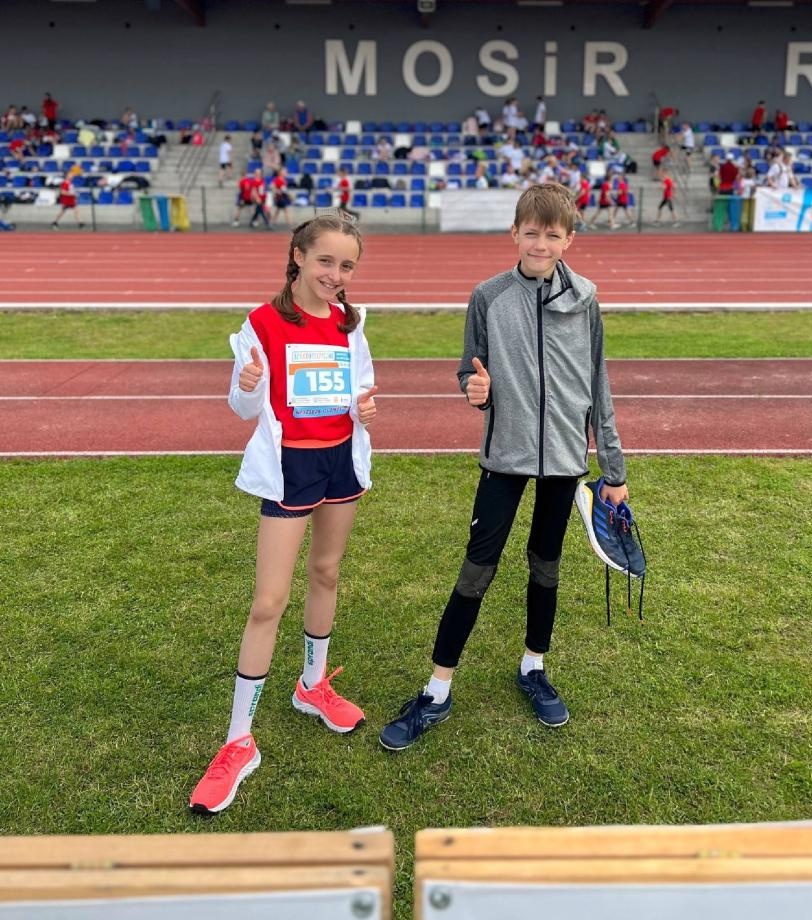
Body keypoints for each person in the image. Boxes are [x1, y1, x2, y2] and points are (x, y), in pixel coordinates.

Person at [378, 184, 628, 751]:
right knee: (477, 569)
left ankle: (533, 667)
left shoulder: (586, 299)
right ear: (515, 233)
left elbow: (599, 384)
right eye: (531, 232)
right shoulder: (488, 295)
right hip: (505, 456)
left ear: (569, 239)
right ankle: (436, 691)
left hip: (564, 459)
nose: (541, 243)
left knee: (546, 566)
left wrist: (613, 471)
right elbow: (469, 371)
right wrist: (476, 389)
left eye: (553, 235)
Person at [189, 215, 378, 815]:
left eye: (346, 266)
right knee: (268, 601)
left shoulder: (351, 321)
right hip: (291, 467)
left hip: (340, 463)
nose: (335, 275)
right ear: (297, 256)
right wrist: (248, 383)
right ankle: (237, 741)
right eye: (325, 261)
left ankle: (311, 685)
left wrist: (364, 407)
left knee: (327, 572)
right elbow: (243, 406)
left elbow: (361, 385)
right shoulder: (263, 323)